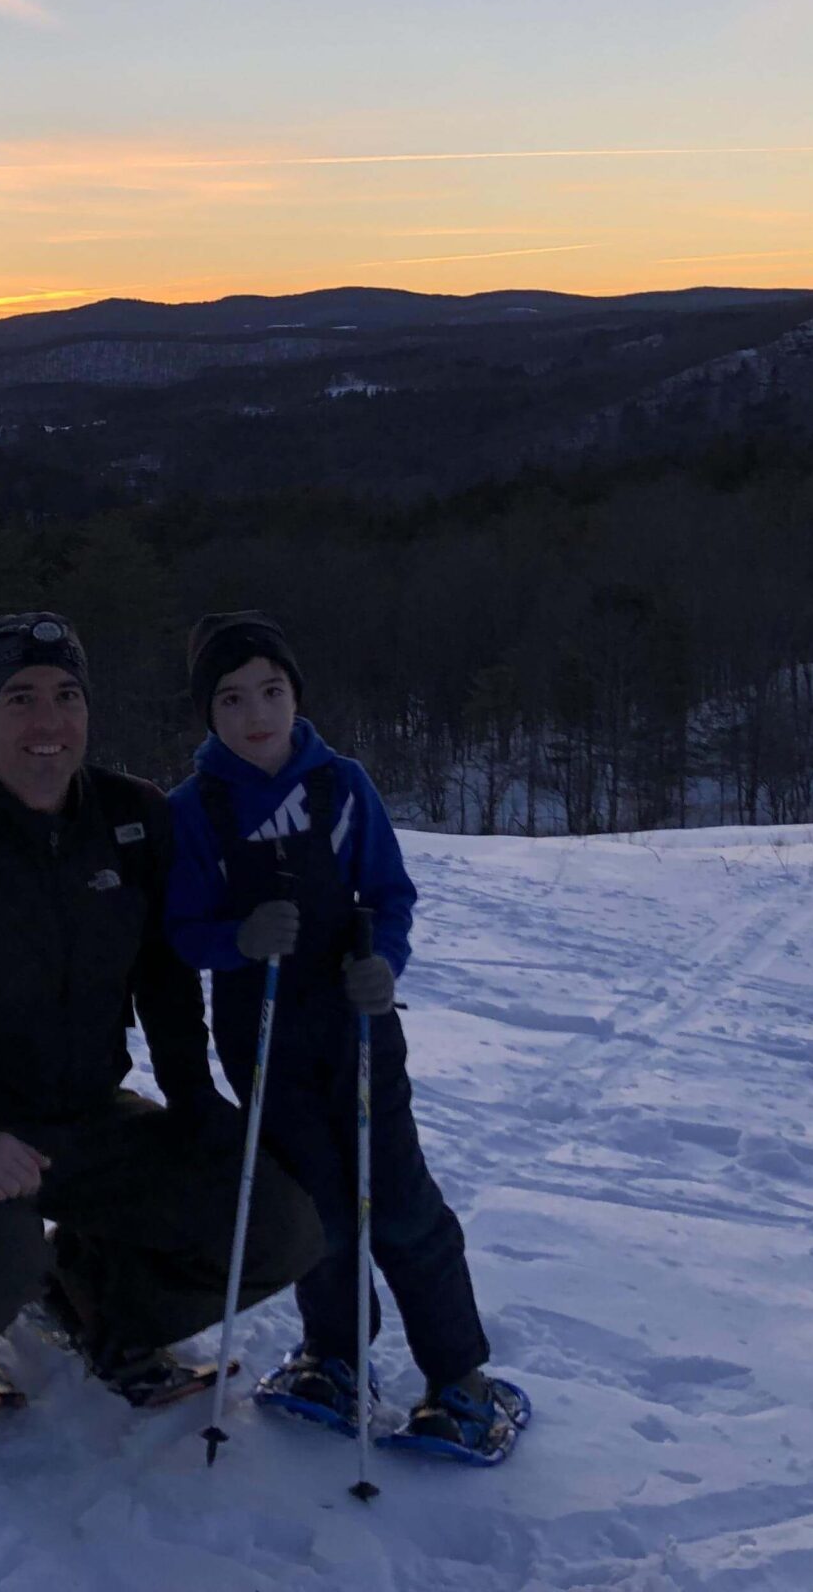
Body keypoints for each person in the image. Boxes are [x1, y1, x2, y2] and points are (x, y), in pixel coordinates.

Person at [0, 610, 324, 1419]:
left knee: (276, 1219)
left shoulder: (133, 820)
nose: (49, 722)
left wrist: (193, 1105)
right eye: (21, 699)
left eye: (67, 695)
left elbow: (167, 980)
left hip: (88, 1119)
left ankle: (93, 1300)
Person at [165, 611, 525, 1459]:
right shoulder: (198, 808)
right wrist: (237, 941)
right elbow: (181, 927)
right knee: (314, 1208)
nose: (255, 714)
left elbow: (391, 896)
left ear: (296, 696)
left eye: (271, 691)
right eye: (231, 698)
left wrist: (384, 966)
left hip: (357, 1028)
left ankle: (458, 1375)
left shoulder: (340, 786)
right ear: (207, 713)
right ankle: (332, 1355)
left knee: (397, 1200)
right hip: (259, 1034)